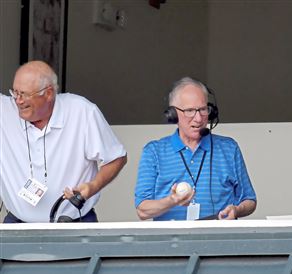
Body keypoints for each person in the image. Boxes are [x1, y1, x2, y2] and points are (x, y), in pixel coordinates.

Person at [0, 60, 127, 223]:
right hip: (17, 223)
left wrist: (93, 187)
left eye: (24, 94)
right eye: (15, 93)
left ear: (48, 93)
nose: (18, 101)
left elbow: (117, 157)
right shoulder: (4, 111)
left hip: (74, 221)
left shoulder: (82, 112)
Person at [135, 77, 256, 221]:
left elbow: (250, 200)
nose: (198, 118)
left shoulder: (229, 148)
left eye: (203, 109)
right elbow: (142, 210)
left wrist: (236, 210)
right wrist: (173, 200)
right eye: (190, 111)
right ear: (173, 114)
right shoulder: (154, 152)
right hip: (172, 242)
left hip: (218, 240)